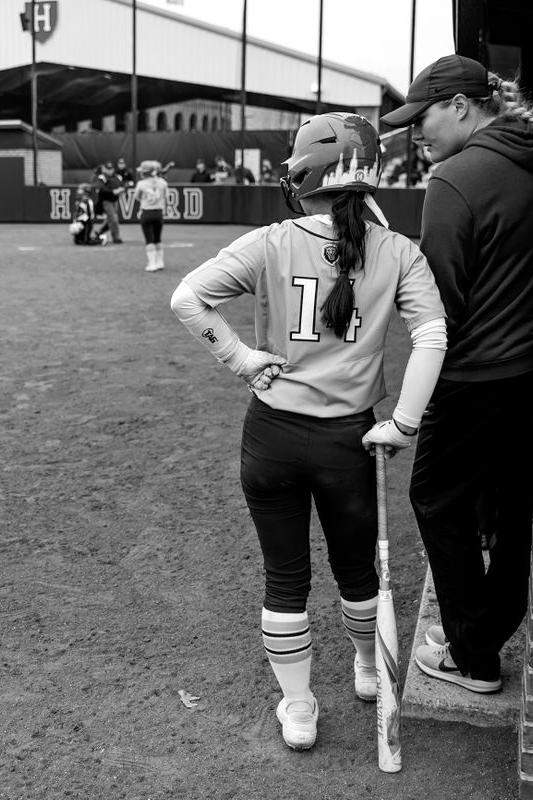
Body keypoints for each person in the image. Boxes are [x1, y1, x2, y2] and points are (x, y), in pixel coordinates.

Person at [170, 112, 447, 751]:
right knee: (357, 572)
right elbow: (432, 336)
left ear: (304, 174)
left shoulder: (270, 241)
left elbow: (188, 298)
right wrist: (403, 424)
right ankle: (367, 669)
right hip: (349, 440)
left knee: (284, 576)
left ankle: (298, 707)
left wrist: (240, 359)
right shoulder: (399, 250)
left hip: (270, 436)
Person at [379, 54, 533, 695]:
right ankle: (481, 631)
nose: (414, 134)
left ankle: (473, 653)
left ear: (459, 106)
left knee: (436, 499)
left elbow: (440, 305)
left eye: (420, 118)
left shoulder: (454, 178)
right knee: (512, 513)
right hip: (531, 372)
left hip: (474, 372)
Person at [134, 160, 169, 272]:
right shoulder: (163, 182)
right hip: (159, 213)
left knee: (149, 239)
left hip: (147, 212)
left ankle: (152, 264)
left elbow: (137, 197)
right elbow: (166, 197)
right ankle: (160, 263)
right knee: (158, 238)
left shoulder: (141, 184)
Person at [93, 162, 123, 244]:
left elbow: (122, 186)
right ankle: (116, 237)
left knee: (110, 219)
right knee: (113, 219)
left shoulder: (118, 177)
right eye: (108, 169)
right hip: (106, 201)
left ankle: (99, 232)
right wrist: (112, 191)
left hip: (115, 201)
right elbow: (100, 188)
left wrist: (121, 189)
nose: (109, 171)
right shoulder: (102, 177)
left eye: (111, 169)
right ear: (105, 169)